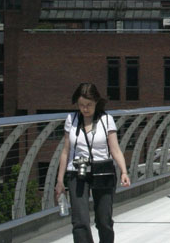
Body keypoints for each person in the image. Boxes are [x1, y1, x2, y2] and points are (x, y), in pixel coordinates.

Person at [55, 82, 131, 243]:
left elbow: (115, 149)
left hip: (102, 170)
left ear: (96, 102)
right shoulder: (72, 119)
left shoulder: (106, 120)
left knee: (104, 220)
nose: (85, 109)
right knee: (80, 221)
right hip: (77, 171)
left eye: (89, 105)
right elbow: (65, 151)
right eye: (81, 105)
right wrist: (60, 180)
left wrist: (124, 171)